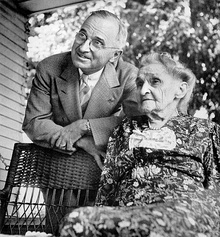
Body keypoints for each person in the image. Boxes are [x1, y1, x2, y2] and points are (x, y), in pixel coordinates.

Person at [59, 52, 220, 237]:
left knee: (175, 218)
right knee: (76, 221)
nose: (143, 91)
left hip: (184, 215)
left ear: (181, 90)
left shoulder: (204, 130)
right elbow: (108, 186)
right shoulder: (125, 129)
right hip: (125, 218)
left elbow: (216, 192)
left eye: (155, 81)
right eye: (140, 83)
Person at [22, 10, 141, 234]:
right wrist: (82, 141)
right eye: (82, 36)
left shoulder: (129, 77)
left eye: (97, 42)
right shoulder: (50, 67)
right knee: (59, 229)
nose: (84, 47)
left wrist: (85, 126)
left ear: (115, 56)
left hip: (102, 173)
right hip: (57, 170)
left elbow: (137, 123)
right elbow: (34, 122)